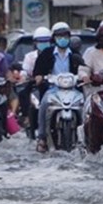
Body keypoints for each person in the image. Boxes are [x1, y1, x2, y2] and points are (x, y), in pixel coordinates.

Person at [33, 23, 85, 152]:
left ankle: (86, 136)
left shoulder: (75, 55)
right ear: (54, 38)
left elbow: (83, 70)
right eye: (59, 36)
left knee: (84, 105)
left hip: (73, 90)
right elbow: (37, 72)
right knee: (44, 104)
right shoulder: (46, 54)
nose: (63, 39)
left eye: (65, 36)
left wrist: (84, 77)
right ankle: (42, 137)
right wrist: (40, 78)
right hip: (53, 90)